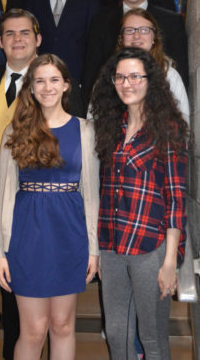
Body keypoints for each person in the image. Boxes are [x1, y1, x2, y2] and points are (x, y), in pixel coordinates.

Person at [0, 9, 84, 360]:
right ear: (0, 42)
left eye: (25, 33)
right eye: (10, 34)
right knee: (2, 292)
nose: (18, 39)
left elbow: (83, 175)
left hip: (57, 215)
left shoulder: (72, 111)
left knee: (56, 323)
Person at [0, 53, 99, 360]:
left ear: (66, 85)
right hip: (27, 237)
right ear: (31, 87)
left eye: (54, 80)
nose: (47, 87)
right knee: (34, 330)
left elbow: (91, 195)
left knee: (63, 325)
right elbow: (4, 196)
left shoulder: (85, 130)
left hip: (70, 236)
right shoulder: (15, 132)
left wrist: (94, 248)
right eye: (39, 80)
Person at [91, 47, 188, 360]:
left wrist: (170, 260)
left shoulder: (168, 129)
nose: (126, 83)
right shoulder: (110, 126)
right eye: (120, 76)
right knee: (118, 335)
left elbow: (176, 198)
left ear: (151, 81)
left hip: (151, 248)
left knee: (153, 337)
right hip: (113, 246)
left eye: (135, 76)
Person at [82, 0, 188, 104]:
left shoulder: (172, 22)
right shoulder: (101, 21)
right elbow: (91, 73)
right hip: (112, 109)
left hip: (160, 109)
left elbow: (181, 73)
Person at [117, 8, 189, 123]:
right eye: (129, 30)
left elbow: (183, 124)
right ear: (121, 39)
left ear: (154, 38)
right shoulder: (109, 74)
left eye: (144, 30)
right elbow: (95, 118)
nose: (136, 36)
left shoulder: (169, 75)